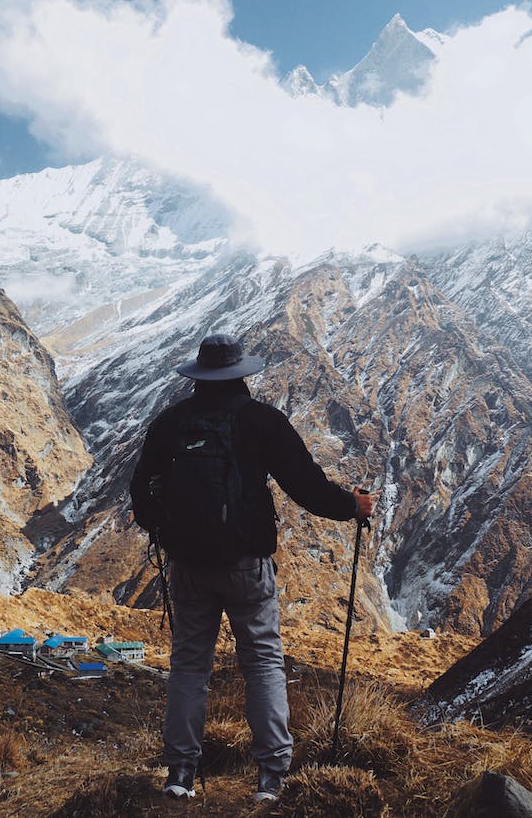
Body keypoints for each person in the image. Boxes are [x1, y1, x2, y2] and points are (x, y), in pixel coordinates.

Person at [131, 333, 373, 804]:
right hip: (246, 565)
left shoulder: (172, 423)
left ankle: (180, 772)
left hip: (188, 567)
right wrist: (352, 506)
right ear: (241, 373)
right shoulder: (262, 421)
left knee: (188, 665)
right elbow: (306, 485)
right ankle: (270, 776)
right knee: (262, 662)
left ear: (199, 375)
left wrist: (165, 530)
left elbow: (141, 490)